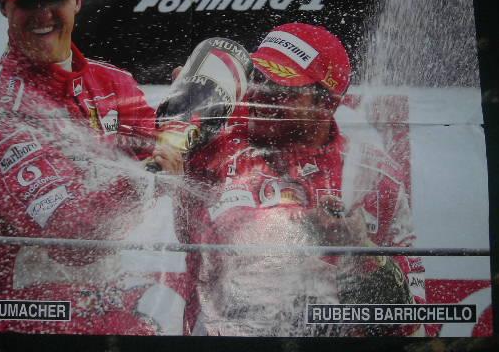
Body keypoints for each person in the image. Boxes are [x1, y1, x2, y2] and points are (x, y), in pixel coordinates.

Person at [0, 0, 185, 334]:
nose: (43, 15)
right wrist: (146, 178)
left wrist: (188, 111)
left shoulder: (112, 83)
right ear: (4, 6)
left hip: (113, 308)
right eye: (29, 1)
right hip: (34, 324)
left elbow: (166, 150)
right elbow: (71, 239)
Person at [181, 22, 424, 336]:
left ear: (326, 104)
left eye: (280, 90)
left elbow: (411, 324)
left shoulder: (377, 179)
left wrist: (360, 252)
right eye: (257, 77)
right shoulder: (214, 138)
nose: (258, 95)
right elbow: (149, 150)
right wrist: (179, 109)